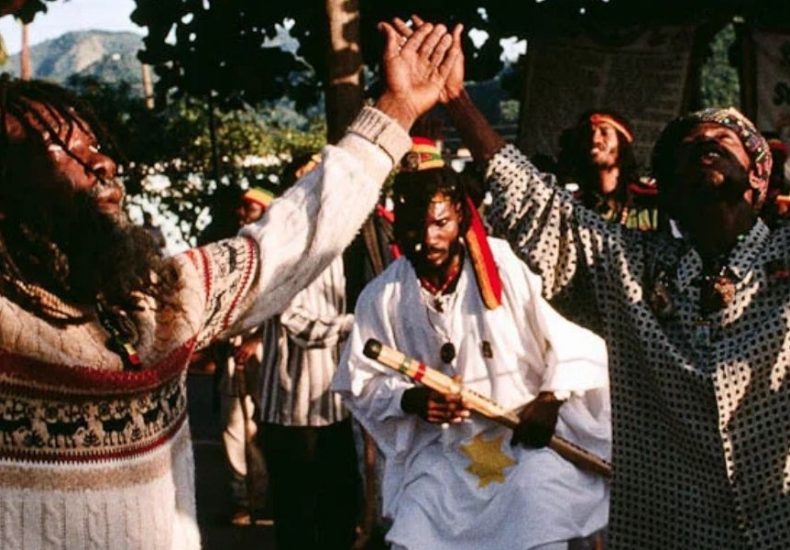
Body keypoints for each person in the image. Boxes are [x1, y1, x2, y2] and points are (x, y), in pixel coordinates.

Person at [0, 20, 460, 548]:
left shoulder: (158, 302)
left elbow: (290, 237)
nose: (101, 163)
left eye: (95, 144)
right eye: (60, 151)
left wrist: (397, 108)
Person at [402, 15, 789, 549]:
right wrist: (455, 97)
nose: (707, 144)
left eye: (725, 139)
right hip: (672, 529)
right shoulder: (630, 267)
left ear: (761, 176)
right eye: (691, 144)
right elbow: (538, 207)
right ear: (669, 186)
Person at [333, 136, 610, 550]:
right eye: (412, 227)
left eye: (439, 223)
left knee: (538, 508)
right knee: (414, 527)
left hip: (524, 446)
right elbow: (361, 383)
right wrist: (412, 401)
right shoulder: (382, 296)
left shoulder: (501, 267)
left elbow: (575, 344)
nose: (427, 239)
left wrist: (550, 401)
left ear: (460, 216)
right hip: (444, 454)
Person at [256, 155, 359, 549]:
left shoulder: (334, 244)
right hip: (291, 409)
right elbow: (297, 323)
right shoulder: (280, 246)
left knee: (337, 512)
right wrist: (355, 325)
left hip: (332, 406)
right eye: (309, 182)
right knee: (298, 519)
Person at [557, 110, 658, 231]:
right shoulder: (569, 203)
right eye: (589, 134)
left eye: (604, 132)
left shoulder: (650, 204)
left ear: (622, 143)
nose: (595, 139)